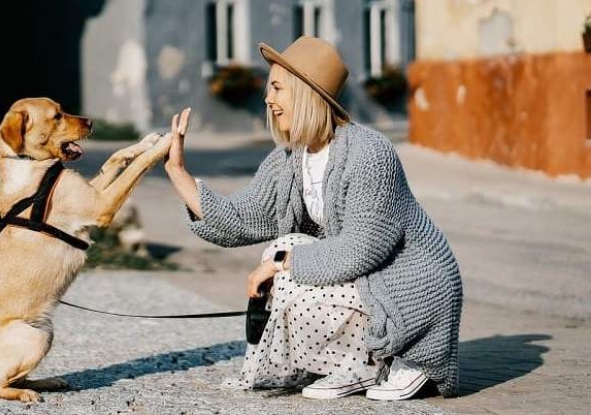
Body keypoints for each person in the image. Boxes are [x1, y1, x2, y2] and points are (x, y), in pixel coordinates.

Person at [163, 37, 462, 400]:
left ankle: (387, 360)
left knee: (285, 261)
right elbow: (241, 218)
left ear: (305, 92)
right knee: (283, 248)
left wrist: (280, 265)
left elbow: (360, 250)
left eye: (277, 88)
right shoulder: (291, 158)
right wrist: (178, 172)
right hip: (367, 281)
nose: (267, 99)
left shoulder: (370, 154)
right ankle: (353, 362)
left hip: (411, 288)